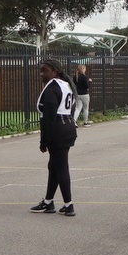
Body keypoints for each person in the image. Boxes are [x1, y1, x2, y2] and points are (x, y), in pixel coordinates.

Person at [30, 59, 78, 216]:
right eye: (41, 70)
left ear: (55, 72)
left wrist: (44, 141)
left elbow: (49, 118)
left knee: (61, 167)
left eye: (45, 71)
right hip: (68, 127)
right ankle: (48, 202)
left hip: (58, 129)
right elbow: (71, 108)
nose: (41, 74)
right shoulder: (66, 84)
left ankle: (68, 204)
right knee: (54, 166)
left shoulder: (52, 89)